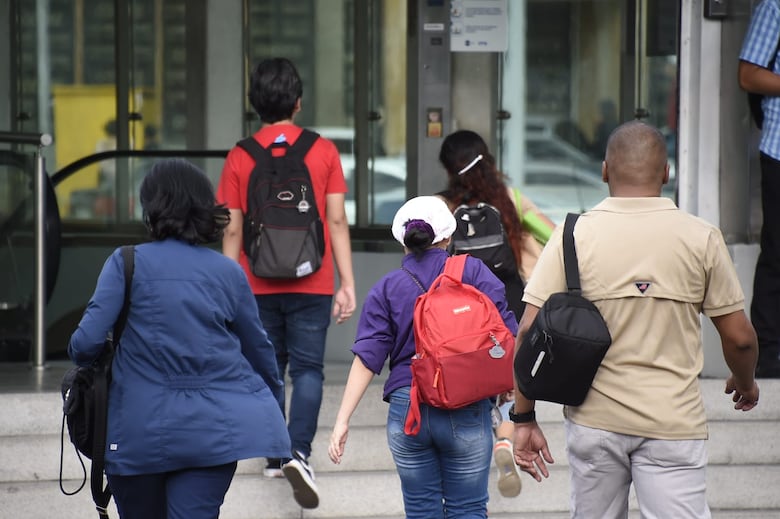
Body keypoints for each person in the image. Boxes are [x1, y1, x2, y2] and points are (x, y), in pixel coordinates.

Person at [511, 121, 760, 518]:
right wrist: (744, 382)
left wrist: (523, 417)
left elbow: (527, 331)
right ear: (665, 173)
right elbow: (741, 339)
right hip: (673, 423)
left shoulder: (571, 235)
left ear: (605, 170)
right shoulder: (701, 237)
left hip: (594, 422)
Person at [68, 159, 291, 519]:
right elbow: (261, 354)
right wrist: (273, 408)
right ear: (203, 206)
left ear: (150, 207)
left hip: (136, 430)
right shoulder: (228, 273)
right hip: (213, 432)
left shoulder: (125, 263)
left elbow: (84, 345)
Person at [216, 57, 356, 509]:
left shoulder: (241, 155)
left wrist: (226, 284)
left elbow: (233, 229)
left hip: (255, 283)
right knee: (309, 369)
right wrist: (347, 282)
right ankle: (300, 451)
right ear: (298, 102)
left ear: (255, 103)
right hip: (312, 279)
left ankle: (276, 455)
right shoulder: (322, 151)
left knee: (266, 369)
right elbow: (335, 220)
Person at [327, 196, 519, 518]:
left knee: (420, 510)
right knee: (468, 509)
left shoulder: (387, 287)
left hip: (407, 411)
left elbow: (366, 359)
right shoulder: (472, 272)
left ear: (403, 241)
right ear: (448, 236)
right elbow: (508, 335)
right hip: (466, 406)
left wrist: (342, 420)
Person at [437, 129, 555, 497]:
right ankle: (504, 436)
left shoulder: (443, 207)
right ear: (487, 159)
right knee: (505, 376)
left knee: (472, 377)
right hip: (510, 302)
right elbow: (555, 236)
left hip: (462, 308)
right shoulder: (510, 200)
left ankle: (481, 440)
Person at [738, 0, 780, 378]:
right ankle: (769, 359)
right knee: (778, 254)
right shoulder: (774, 6)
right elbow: (749, 75)